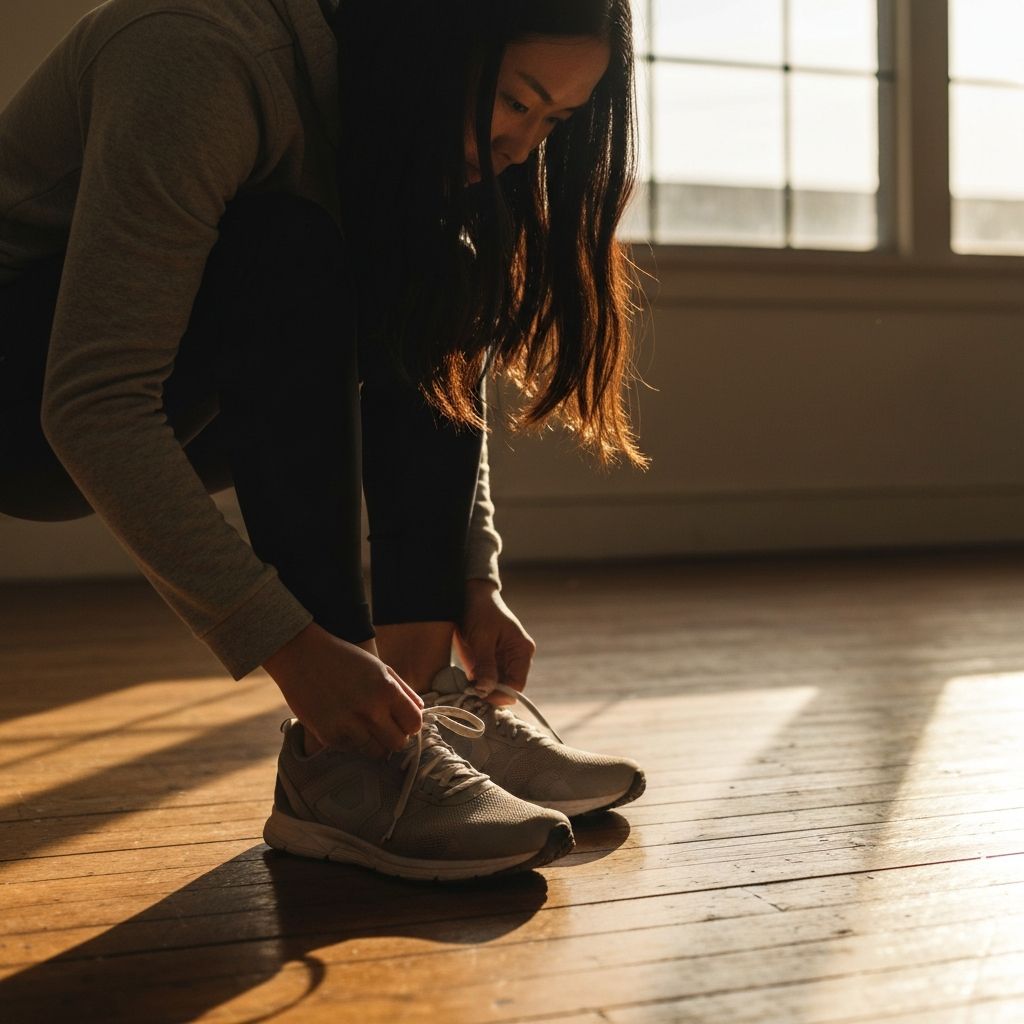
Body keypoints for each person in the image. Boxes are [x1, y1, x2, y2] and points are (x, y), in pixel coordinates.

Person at [0, 0, 647, 881]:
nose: (522, 147)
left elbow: (424, 357)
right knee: (285, 247)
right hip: (23, 405)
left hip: (150, 383)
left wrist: (472, 578)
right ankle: (343, 747)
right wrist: (298, 650)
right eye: (512, 100)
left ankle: (414, 718)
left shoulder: (396, 111)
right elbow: (89, 406)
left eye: (555, 121)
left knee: (433, 263)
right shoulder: (200, 57)